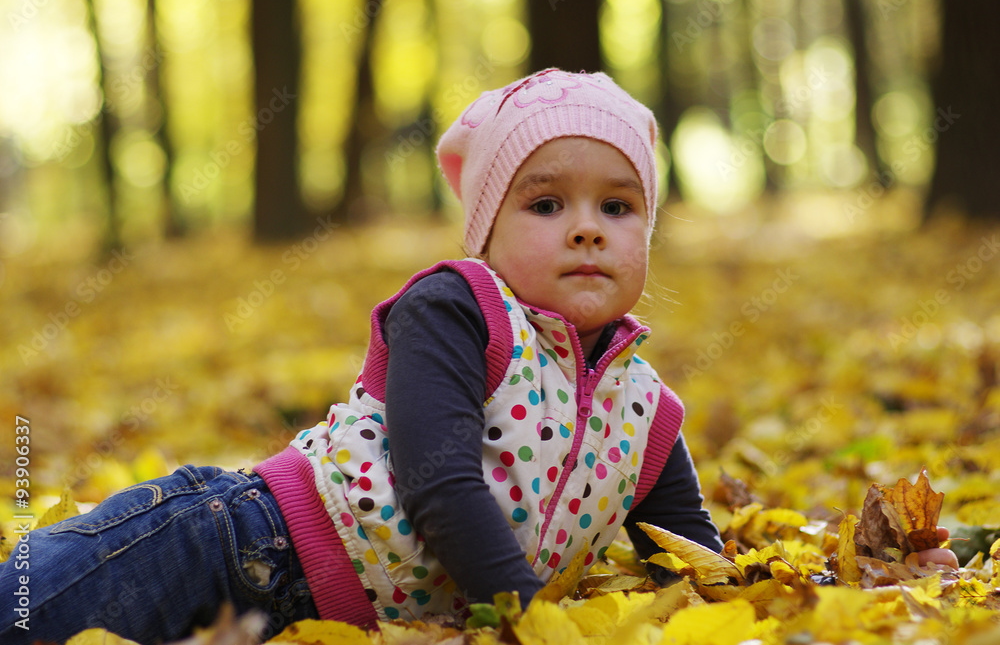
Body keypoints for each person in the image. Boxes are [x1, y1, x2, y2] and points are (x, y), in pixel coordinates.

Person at [0, 69, 956, 645]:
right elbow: (437, 476)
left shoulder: (645, 406)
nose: (586, 229)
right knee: (28, 610)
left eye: (616, 207)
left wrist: (877, 568)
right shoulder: (458, 310)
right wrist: (529, 616)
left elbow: (689, 555)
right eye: (546, 205)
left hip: (332, 618)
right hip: (231, 543)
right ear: (487, 230)